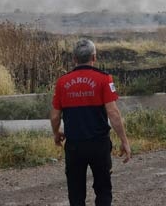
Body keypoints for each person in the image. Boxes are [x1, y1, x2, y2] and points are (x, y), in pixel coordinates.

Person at [51, 39, 131, 206]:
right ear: (94, 57)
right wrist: (124, 141)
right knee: (103, 189)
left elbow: (55, 116)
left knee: (76, 192)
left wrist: (56, 132)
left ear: (74, 59)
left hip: (74, 145)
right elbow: (113, 114)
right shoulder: (104, 79)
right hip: (99, 145)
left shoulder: (62, 82)